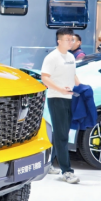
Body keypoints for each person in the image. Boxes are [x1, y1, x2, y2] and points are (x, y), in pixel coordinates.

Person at [41, 28, 81, 184]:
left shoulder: (70, 56)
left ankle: (49, 163)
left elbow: (73, 74)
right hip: (57, 98)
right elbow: (45, 78)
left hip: (69, 97)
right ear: (59, 41)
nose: (70, 42)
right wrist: (60, 89)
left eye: (72, 39)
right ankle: (67, 171)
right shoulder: (52, 57)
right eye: (67, 39)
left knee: (61, 133)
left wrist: (80, 86)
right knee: (62, 135)